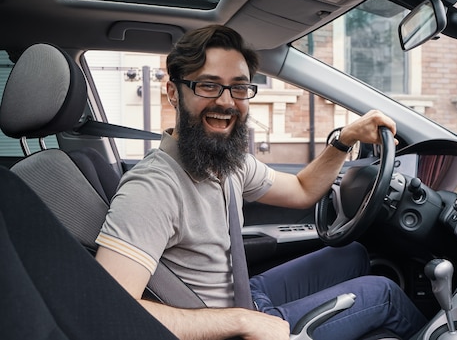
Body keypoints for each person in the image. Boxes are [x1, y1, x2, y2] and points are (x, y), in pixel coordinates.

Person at [95, 25, 427, 340]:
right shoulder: (152, 188)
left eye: (239, 87)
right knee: (383, 295)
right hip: (224, 327)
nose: (226, 102)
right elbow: (107, 313)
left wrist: (343, 140)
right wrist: (241, 320)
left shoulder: (226, 163)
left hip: (245, 296)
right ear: (173, 93)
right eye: (208, 85)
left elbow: (302, 190)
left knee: (352, 253)